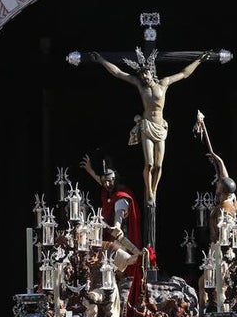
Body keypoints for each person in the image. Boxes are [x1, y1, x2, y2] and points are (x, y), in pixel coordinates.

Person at [88, 49, 210, 205]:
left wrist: (199, 61)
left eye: (146, 74)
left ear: (151, 72)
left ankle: (155, 188)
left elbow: (183, 74)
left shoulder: (164, 84)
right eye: (141, 76)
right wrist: (101, 60)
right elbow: (118, 73)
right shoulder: (140, 86)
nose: (144, 77)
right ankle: (149, 191)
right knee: (150, 163)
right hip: (146, 126)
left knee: (159, 165)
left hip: (160, 128)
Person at [80, 154, 145, 317]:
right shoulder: (109, 192)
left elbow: (119, 215)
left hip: (121, 241)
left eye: (109, 181)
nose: (106, 184)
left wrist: (116, 226)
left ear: (115, 179)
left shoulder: (121, 198)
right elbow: (102, 182)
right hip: (110, 242)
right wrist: (90, 171)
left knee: (120, 270)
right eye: (104, 182)